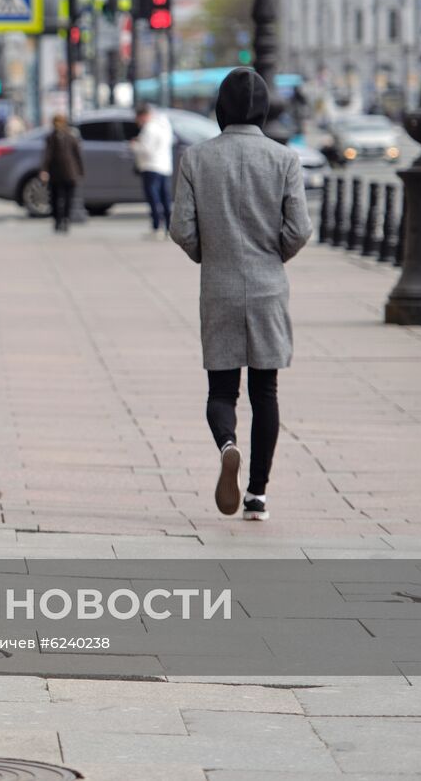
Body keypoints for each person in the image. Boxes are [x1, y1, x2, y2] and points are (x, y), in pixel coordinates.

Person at [170, 68, 312, 522]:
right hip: (269, 287)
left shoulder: (196, 159)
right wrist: (274, 257)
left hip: (219, 286)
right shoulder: (284, 159)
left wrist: (208, 256)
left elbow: (180, 228)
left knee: (221, 390)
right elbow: (300, 229)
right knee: (265, 391)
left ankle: (227, 444)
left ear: (221, 108)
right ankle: (256, 495)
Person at [131, 103, 174, 239]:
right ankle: (169, 227)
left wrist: (134, 145)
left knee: (153, 198)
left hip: (150, 166)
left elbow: (146, 150)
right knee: (165, 198)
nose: (138, 122)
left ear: (143, 116)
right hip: (164, 167)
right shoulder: (165, 126)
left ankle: (157, 227)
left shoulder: (149, 128)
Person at [39, 115, 84, 233]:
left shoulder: (71, 137)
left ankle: (65, 220)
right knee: (54, 198)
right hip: (56, 173)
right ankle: (57, 220)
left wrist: (80, 171)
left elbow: (77, 155)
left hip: (70, 172)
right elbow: (47, 155)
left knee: (68, 198)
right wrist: (44, 170)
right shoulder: (51, 138)